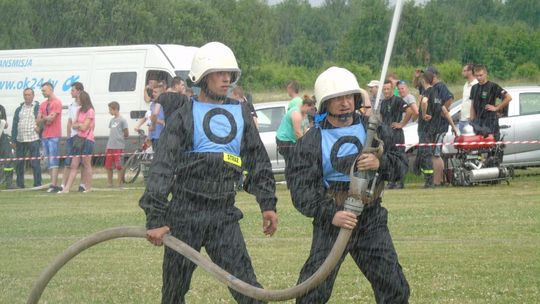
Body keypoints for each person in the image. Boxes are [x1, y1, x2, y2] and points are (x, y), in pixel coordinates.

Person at [139, 41, 278, 304]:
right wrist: (155, 217)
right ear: (202, 77)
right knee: (173, 295)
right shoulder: (183, 116)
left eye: (230, 74)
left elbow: (258, 162)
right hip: (184, 216)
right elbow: (162, 169)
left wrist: (267, 203)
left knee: (249, 291)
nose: (227, 79)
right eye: (219, 73)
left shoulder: (241, 116)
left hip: (223, 216)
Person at [287, 67, 409, 303]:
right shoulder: (311, 141)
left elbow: (401, 165)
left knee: (395, 288)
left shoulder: (374, 130)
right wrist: (332, 214)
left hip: (370, 219)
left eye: (348, 97)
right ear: (325, 103)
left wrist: (380, 162)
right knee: (312, 292)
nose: (344, 103)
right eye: (336, 99)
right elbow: (301, 192)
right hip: (332, 223)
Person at [417, 71, 458, 188]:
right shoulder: (437, 93)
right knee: (432, 154)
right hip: (434, 129)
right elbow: (444, 110)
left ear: (424, 80)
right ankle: (434, 180)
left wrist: (424, 114)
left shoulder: (427, 92)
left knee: (427, 155)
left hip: (425, 129)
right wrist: (453, 127)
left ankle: (430, 182)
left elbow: (424, 102)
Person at [59, 91, 95, 193]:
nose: (76, 100)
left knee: (86, 164)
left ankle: (88, 187)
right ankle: (67, 188)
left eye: (78, 98)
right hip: (78, 139)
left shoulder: (90, 111)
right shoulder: (79, 110)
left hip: (88, 140)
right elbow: (73, 125)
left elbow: (84, 127)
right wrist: (79, 125)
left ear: (83, 99)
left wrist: (79, 125)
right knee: (74, 164)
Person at [380, 80, 413, 189]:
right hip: (386, 135)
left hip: (396, 134)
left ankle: (400, 181)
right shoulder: (383, 103)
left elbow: (410, 111)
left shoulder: (398, 100)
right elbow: (381, 117)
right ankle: (391, 181)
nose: (386, 91)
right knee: (388, 158)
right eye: (384, 89)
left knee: (399, 157)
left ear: (392, 89)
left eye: (388, 89)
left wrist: (402, 124)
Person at [426, 66, 454, 186]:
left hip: (440, 126)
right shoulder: (432, 88)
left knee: (436, 154)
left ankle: (437, 181)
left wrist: (444, 110)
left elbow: (450, 98)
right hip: (434, 126)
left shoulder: (440, 86)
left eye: (428, 75)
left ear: (434, 75)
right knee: (434, 153)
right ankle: (439, 179)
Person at [275, 95, 315, 176]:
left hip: (292, 140)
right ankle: (292, 180)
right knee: (292, 162)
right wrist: (306, 145)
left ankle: (297, 178)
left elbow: (304, 129)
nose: (311, 111)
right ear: (306, 106)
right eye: (311, 109)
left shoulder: (304, 113)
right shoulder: (296, 114)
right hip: (285, 140)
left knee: (297, 161)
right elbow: (297, 133)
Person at [469, 64, 512, 141]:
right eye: (476, 76)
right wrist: (472, 119)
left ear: (486, 74)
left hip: (490, 123)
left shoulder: (493, 86)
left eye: (481, 75)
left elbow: (508, 98)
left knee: (491, 149)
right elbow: (472, 104)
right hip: (478, 124)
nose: (478, 78)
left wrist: (496, 108)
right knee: (480, 149)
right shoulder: (474, 88)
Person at [11, 88, 42, 188]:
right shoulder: (19, 109)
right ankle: (20, 184)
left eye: (29, 95)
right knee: (19, 163)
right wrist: (13, 140)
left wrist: (40, 128)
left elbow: (43, 121)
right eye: (25, 95)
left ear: (33, 96)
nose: (27, 97)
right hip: (20, 140)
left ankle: (37, 184)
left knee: (35, 163)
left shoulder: (38, 107)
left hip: (33, 139)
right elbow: (14, 125)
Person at [36, 82, 63, 193]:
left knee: (54, 159)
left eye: (44, 90)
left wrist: (44, 118)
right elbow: (37, 121)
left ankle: (54, 184)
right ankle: (52, 184)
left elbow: (51, 119)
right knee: (48, 160)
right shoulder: (42, 104)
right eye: (42, 90)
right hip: (45, 135)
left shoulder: (57, 103)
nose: (42, 92)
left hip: (54, 135)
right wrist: (45, 118)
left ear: (51, 90)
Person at [61, 82, 85, 192]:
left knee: (83, 162)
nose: (71, 92)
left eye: (73, 90)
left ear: (79, 91)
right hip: (72, 137)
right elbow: (69, 122)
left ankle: (83, 184)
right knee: (68, 162)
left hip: (81, 137)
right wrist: (68, 137)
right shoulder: (71, 106)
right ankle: (63, 184)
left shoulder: (85, 106)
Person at [105, 101, 129, 187]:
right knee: (108, 166)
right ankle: (110, 183)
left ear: (115, 109)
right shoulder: (111, 120)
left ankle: (119, 183)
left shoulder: (122, 120)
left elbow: (126, 132)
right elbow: (111, 133)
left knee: (119, 166)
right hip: (110, 146)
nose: (109, 112)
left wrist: (122, 137)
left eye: (110, 110)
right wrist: (107, 146)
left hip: (118, 146)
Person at [0, 102, 16, 189]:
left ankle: (9, 183)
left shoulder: (1, 108)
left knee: (9, 158)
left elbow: (5, 125)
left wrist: (4, 124)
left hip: (1, 137)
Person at [459, 64, 478, 133]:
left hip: (470, 120)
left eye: (464, 71)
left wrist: (472, 117)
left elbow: (476, 103)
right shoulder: (466, 84)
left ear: (470, 72)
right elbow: (465, 101)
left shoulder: (476, 85)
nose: (462, 73)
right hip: (462, 120)